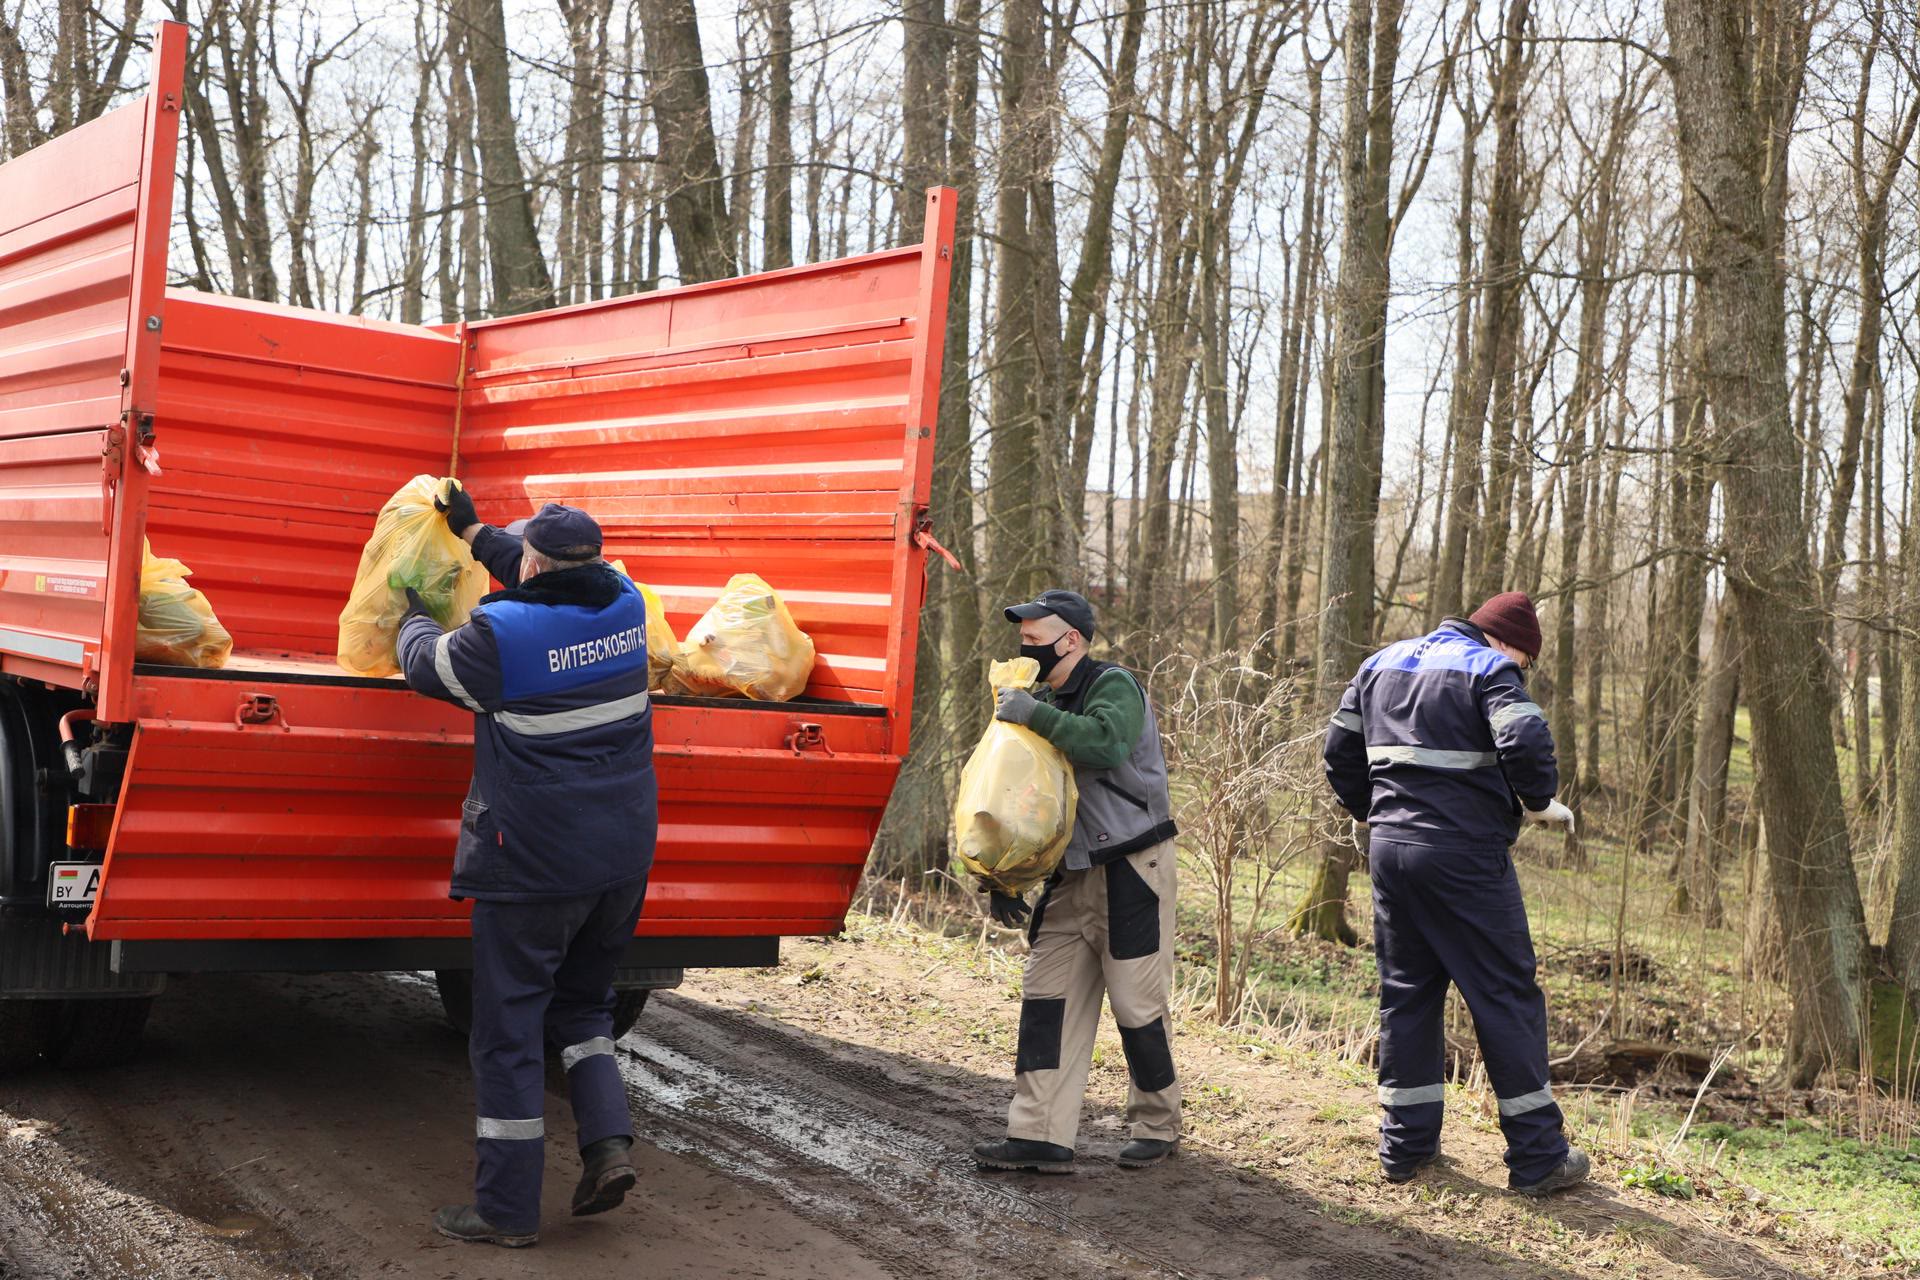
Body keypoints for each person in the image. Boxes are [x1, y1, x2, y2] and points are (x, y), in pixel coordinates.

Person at [396, 485, 659, 1247]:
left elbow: (424, 665)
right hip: (620, 859)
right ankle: (607, 1143)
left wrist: (413, 611)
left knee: (507, 1030)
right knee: (582, 1008)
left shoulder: (497, 638)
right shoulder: (627, 602)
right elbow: (543, 573)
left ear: (535, 564)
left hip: (535, 864)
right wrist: (474, 532)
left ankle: (507, 1212)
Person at [1322, 591, 1586, 1196]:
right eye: (1528, 663)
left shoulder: (1380, 662)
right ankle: (1539, 1157)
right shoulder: (1490, 668)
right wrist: (1539, 800)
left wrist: (1378, 811)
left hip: (1390, 851)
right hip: (1464, 855)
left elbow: (1338, 752)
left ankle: (1405, 1148)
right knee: (1504, 994)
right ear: (1510, 643)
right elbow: (1523, 739)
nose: (1524, 673)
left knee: (1408, 993)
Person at [971, 589, 1182, 1174]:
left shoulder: (1112, 685)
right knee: (1046, 1000)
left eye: (1038, 637)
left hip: (1133, 870)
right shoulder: (1036, 700)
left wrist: (1033, 714)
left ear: (1073, 640)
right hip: (1070, 876)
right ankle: (1039, 1134)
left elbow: (1107, 744)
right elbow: (1013, 796)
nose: (1026, 645)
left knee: (1138, 1008)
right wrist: (1004, 876)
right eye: (1024, 637)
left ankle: (1158, 1125)